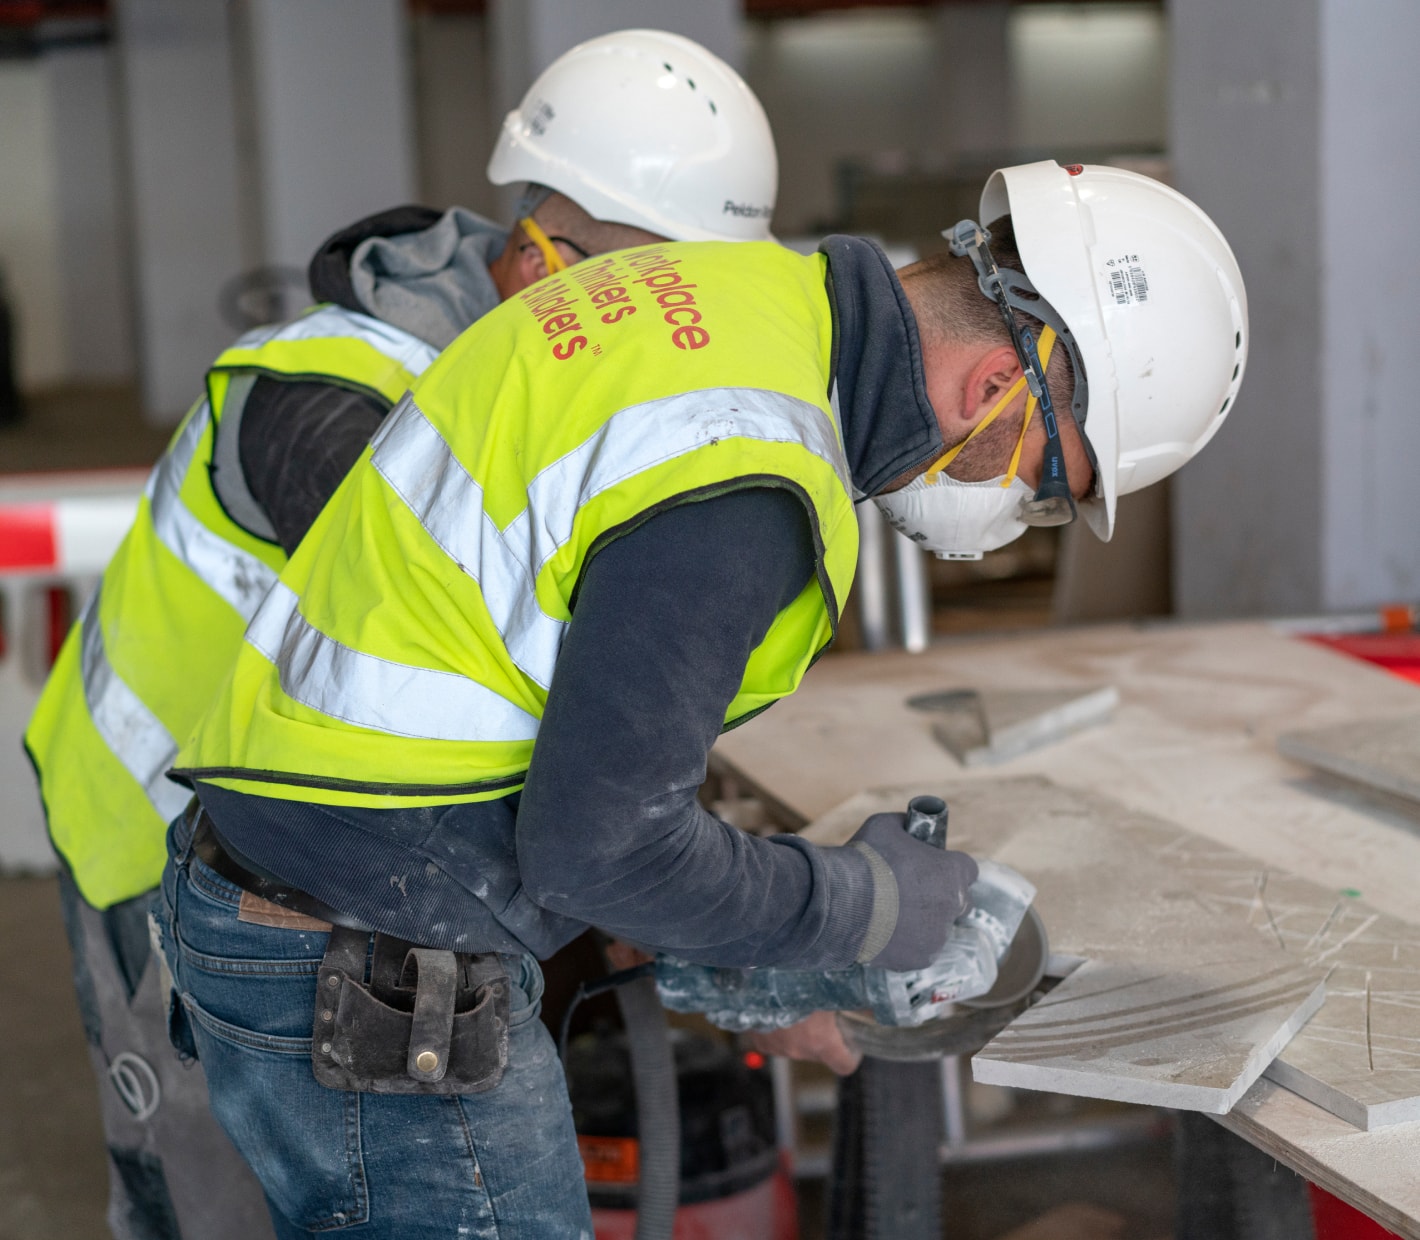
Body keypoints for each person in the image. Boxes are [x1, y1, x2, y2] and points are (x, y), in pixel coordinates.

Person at [158, 159, 1248, 1237]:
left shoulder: (711, 301)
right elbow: (605, 849)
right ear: (995, 393)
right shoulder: (748, 474)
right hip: (373, 959)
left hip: (294, 879)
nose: (1016, 518)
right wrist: (861, 907)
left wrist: (754, 951)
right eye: (1047, 489)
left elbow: (554, 728)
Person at [23, 29, 778, 1240]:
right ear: (536, 249)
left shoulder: (552, 398)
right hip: (158, 841)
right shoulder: (327, 393)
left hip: (322, 858)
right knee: (212, 1183)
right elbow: (486, 659)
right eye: (636, 289)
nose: (661, 329)